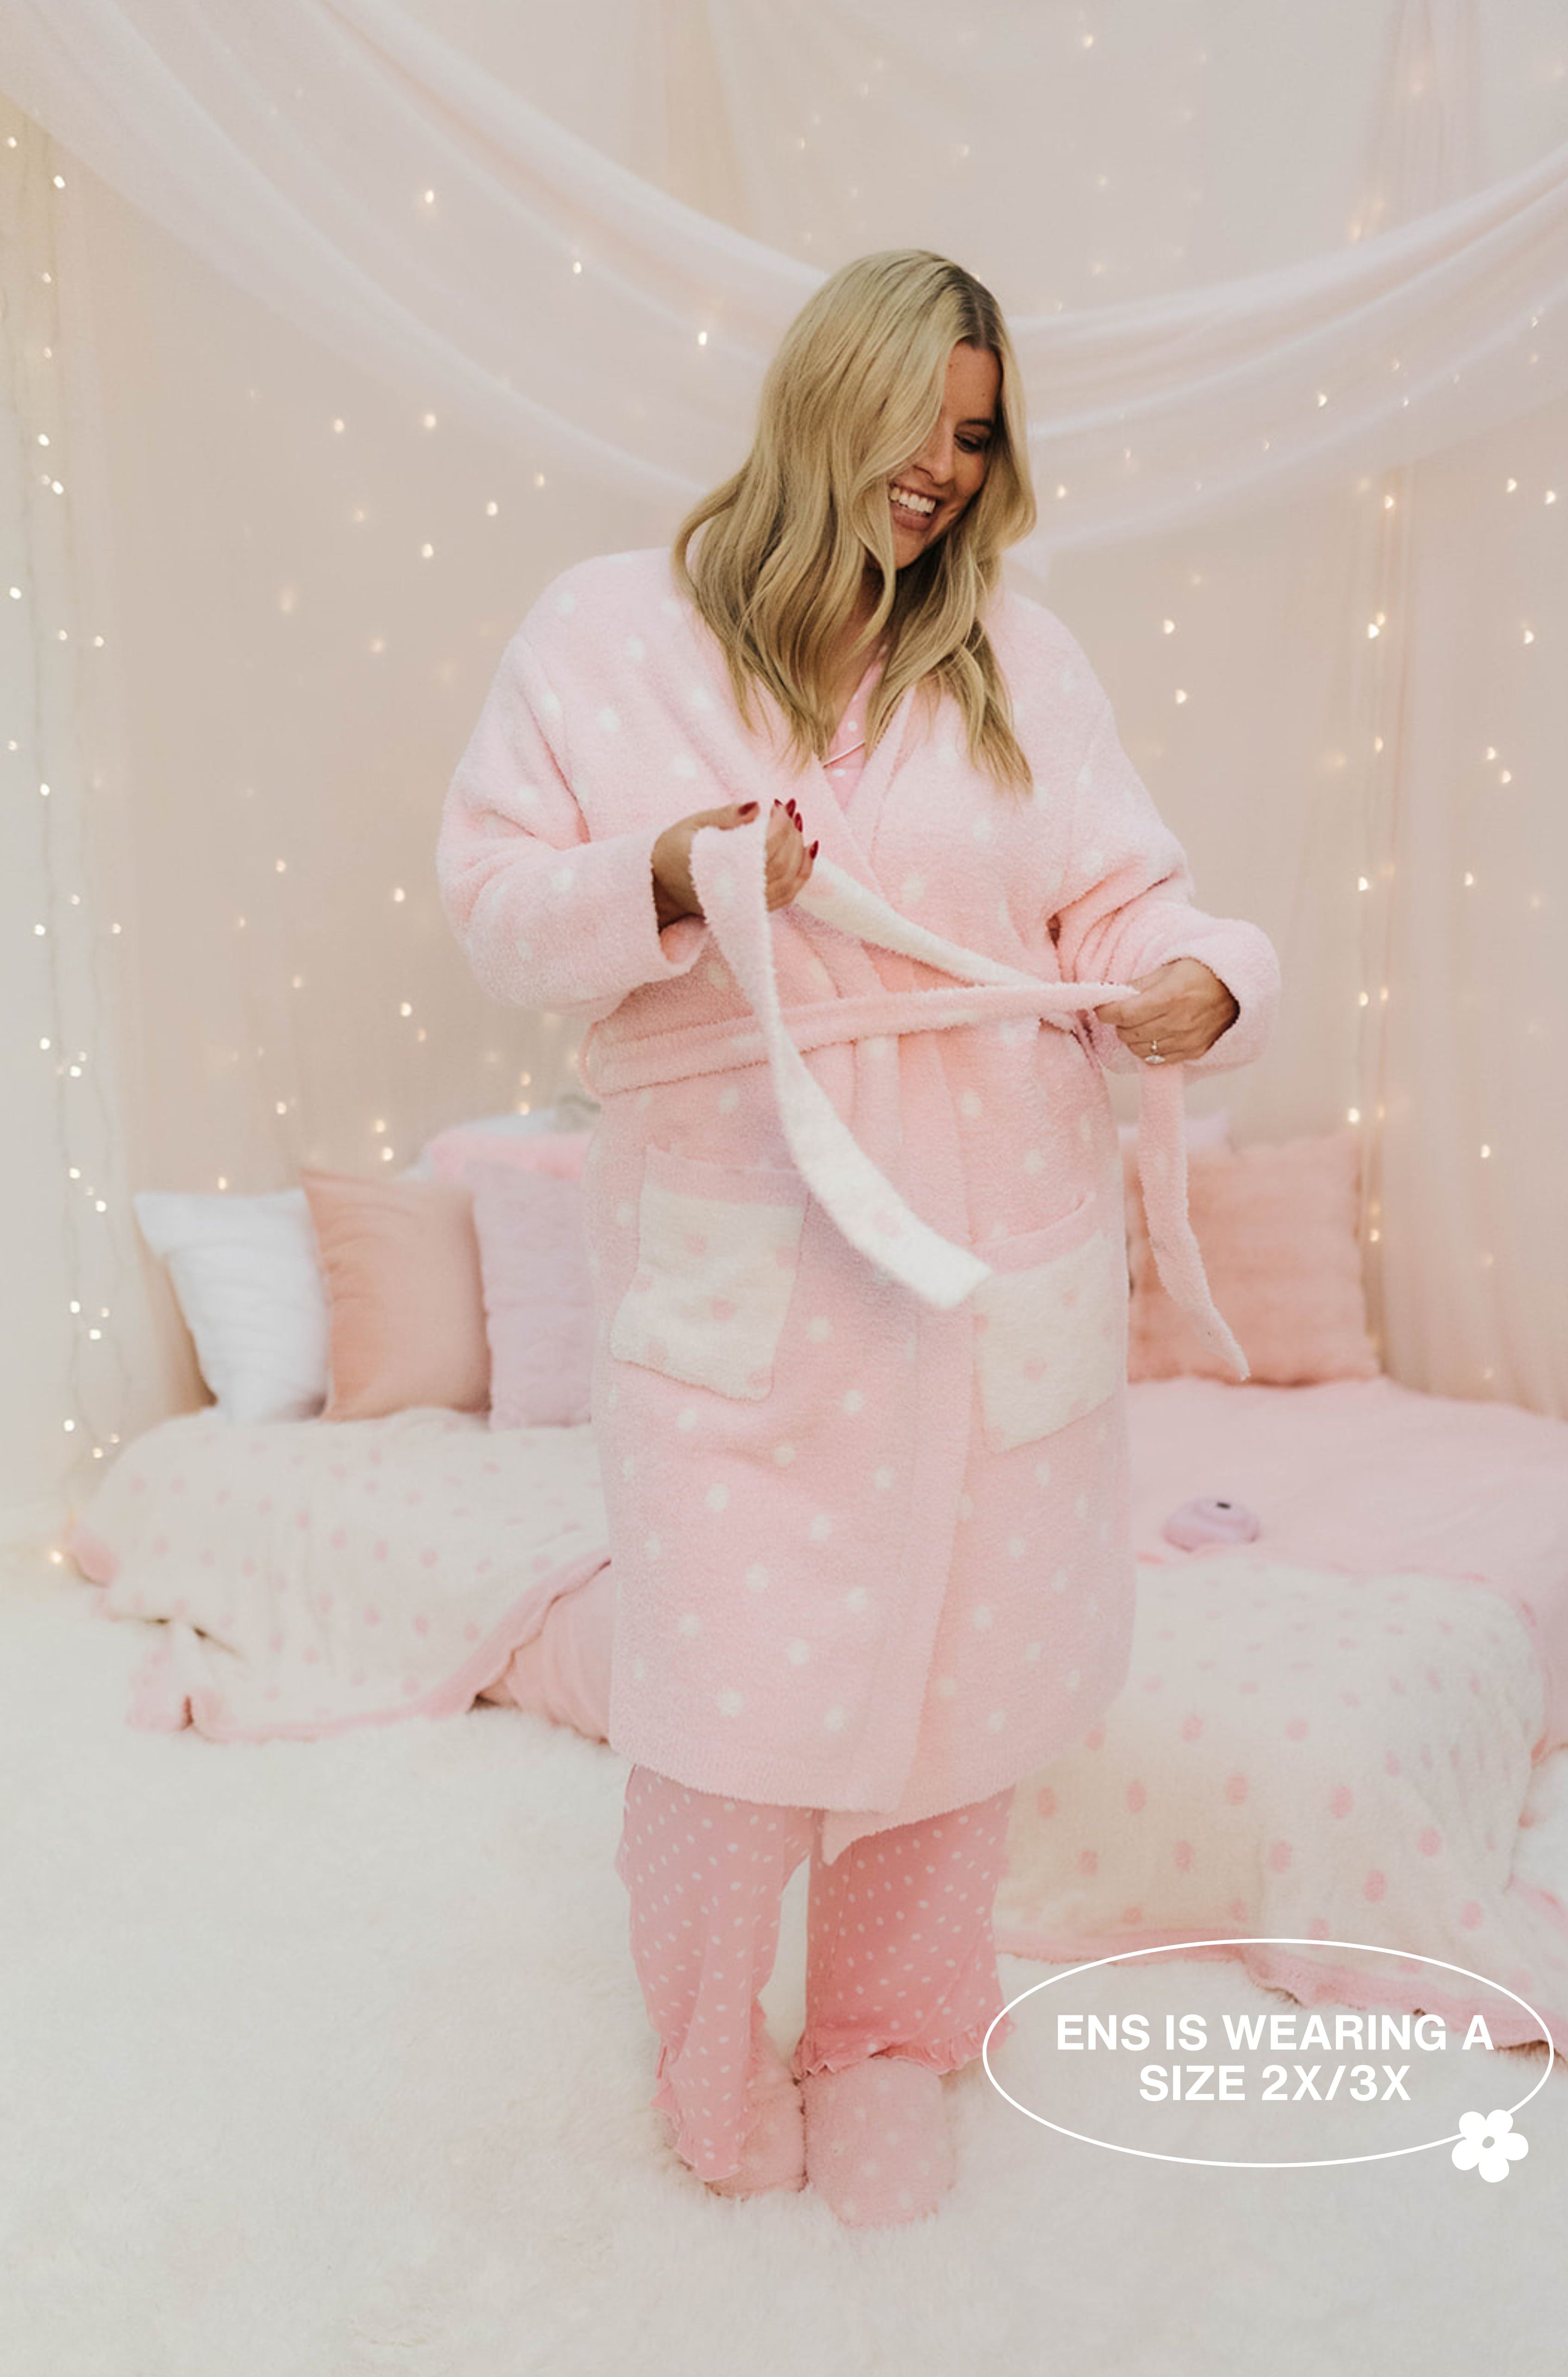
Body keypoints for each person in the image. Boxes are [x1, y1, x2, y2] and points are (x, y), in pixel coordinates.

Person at [435, 249, 1280, 2227]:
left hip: (996, 1234)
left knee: (965, 1678)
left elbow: (1127, 896)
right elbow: (488, 899)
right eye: (917, 424)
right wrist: (664, 868)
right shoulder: (604, 634)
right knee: (727, 1688)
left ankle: (889, 2036)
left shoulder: (1016, 657)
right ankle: (707, 2039)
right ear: (823, 401)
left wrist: (1190, 981)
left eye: (976, 438)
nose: (941, 472)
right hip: (751, 1241)